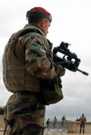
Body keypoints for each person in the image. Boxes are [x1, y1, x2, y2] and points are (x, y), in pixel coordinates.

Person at [3, 7, 65, 135]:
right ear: (43, 22)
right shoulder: (34, 37)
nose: (49, 27)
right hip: (29, 108)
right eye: (49, 23)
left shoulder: (16, 38)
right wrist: (58, 70)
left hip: (17, 102)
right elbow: (39, 66)